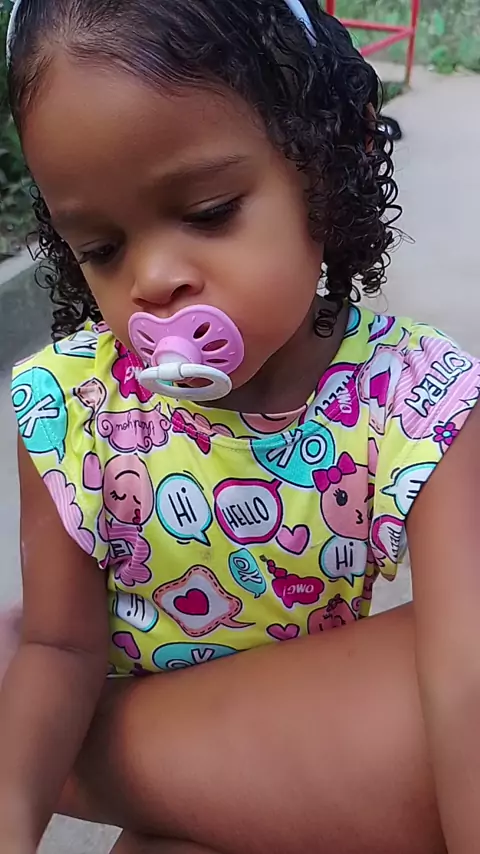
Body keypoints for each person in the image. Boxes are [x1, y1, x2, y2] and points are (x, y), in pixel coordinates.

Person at [2, 0, 480, 851]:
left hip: (318, 770)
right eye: (102, 248)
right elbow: (56, 649)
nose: (154, 279)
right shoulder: (69, 411)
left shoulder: (415, 397)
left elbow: (465, 676)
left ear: (324, 166)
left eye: (210, 210)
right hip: (171, 801)